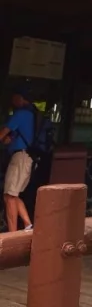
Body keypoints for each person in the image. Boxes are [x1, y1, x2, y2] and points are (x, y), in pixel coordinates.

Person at [0, 89, 36, 232]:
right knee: (14, 195)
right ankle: (28, 225)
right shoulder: (34, 115)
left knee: (9, 196)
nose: (13, 102)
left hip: (20, 158)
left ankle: (12, 234)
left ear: (20, 98)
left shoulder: (20, 114)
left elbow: (3, 133)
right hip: (29, 158)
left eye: (14, 99)